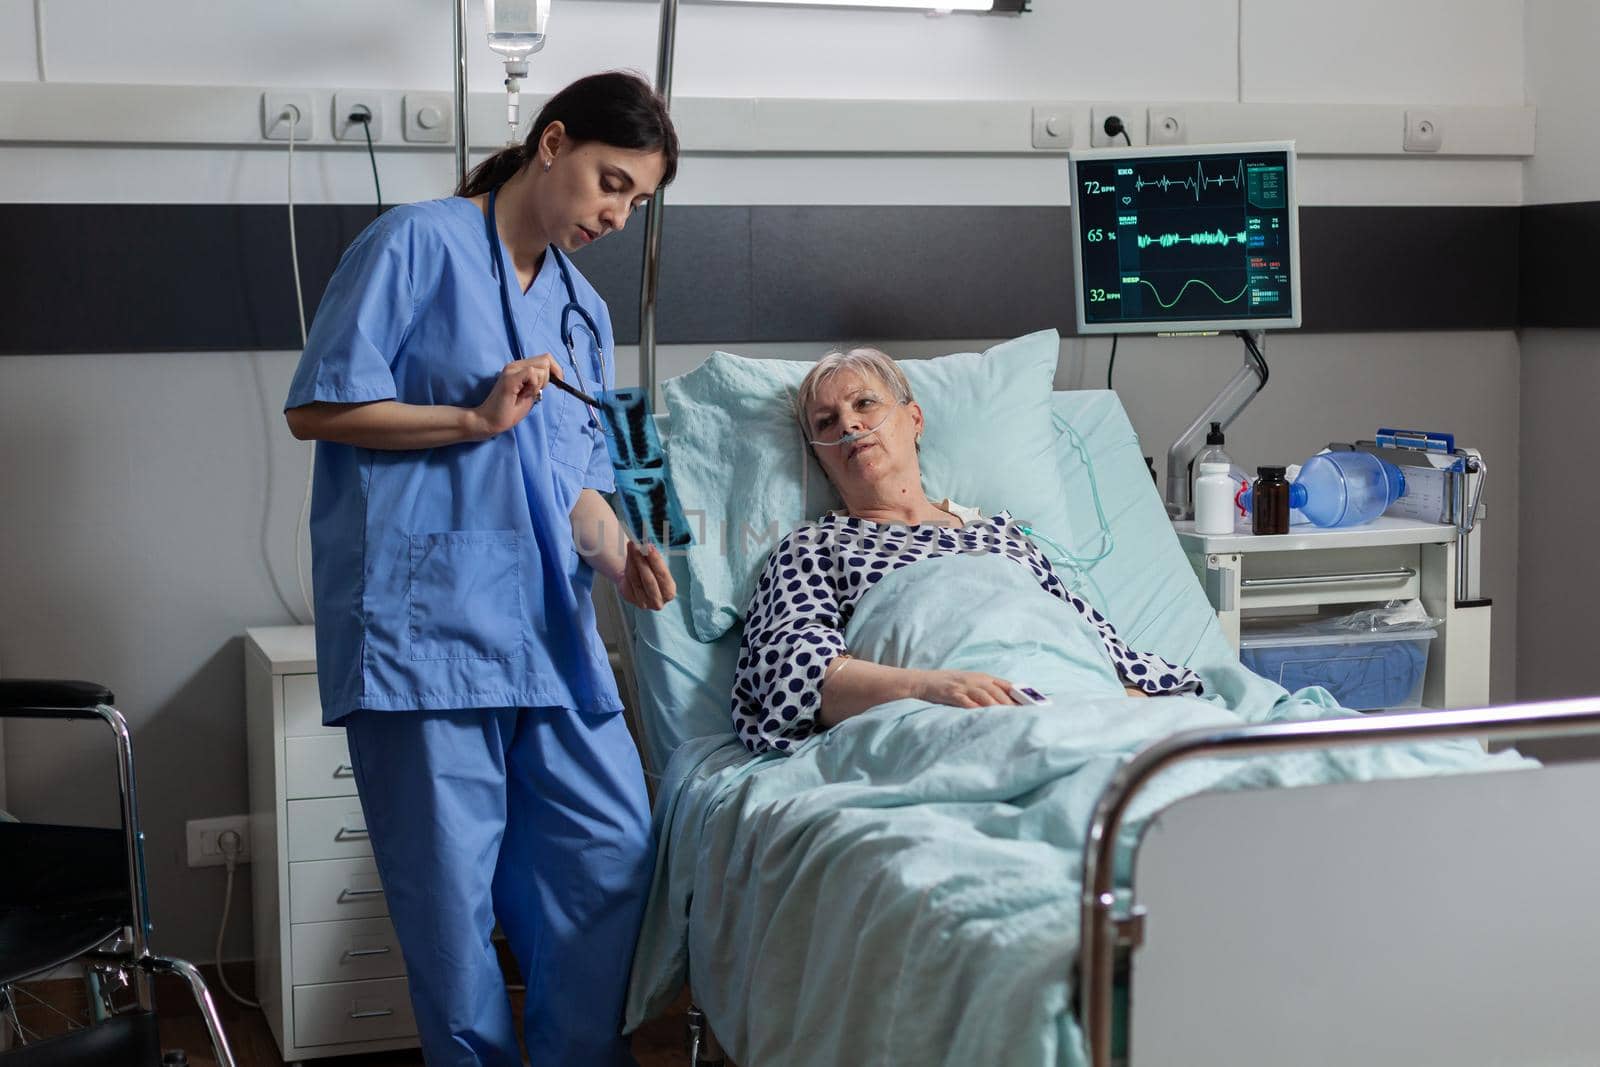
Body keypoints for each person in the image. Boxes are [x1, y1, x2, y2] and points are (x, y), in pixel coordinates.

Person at [283, 71, 677, 1066]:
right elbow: (318, 408)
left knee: (610, 854)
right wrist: (470, 418)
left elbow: (582, 484)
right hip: (425, 629)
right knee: (450, 907)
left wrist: (623, 552)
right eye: (610, 182)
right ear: (552, 144)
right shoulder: (416, 242)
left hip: (550, 627)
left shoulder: (584, 312)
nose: (616, 215)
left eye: (635, 201)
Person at [731, 347, 1203, 755]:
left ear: (914, 420)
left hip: (1075, 703)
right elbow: (793, 675)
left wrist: (1121, 711)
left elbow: (1100, 647)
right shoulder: (813, 548)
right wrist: (931, 688)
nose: (849, 424)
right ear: (821, 458)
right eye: (827, 422)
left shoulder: (1006, 539)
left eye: (865, 404)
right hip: (945, 717)